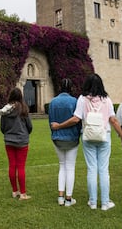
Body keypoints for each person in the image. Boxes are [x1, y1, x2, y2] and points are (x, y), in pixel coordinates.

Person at [51, 74, 122, 211]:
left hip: (88, 136)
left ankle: (92, 202)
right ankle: (105, 202)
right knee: (103, 170)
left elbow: (76, 119)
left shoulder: (82, 99)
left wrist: (59, 126)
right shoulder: (107, 100)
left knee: (92, 169)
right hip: (104, 135)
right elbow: (113, 120)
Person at [48, 78, 82, 207]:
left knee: (62, 166)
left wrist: (55, 132)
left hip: (57, 138)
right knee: (70, 167)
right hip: (72, 138)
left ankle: (61, 197)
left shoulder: (53, 102)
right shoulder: (75, 101)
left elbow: (51, 122)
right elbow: (77, 120)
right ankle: (68, 198)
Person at [0, 87, 33, 200]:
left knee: (12, 166)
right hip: (22, 141)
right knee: (21, 167)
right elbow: (29, 126)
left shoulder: (5, 110)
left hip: (9, 141)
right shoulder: (24, 109)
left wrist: (9, 134)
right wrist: (25, 134)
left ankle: (15, 191)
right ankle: (23, 193)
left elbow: (2, 127)